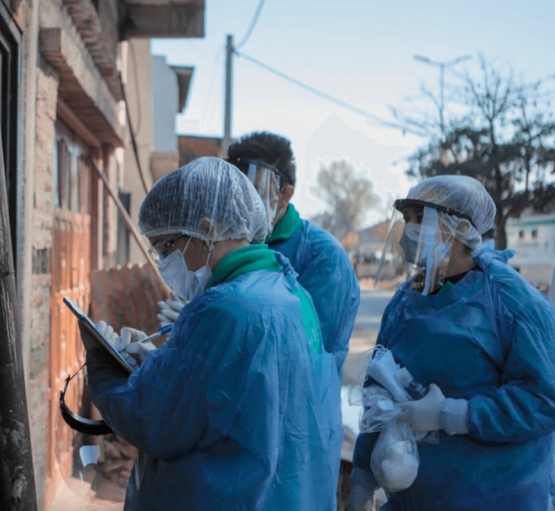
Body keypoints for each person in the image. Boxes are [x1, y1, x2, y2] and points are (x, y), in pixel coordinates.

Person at [79, 157, 343, 511]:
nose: (163, 264)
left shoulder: (224, 309)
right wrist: (161, 365)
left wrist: (102, 364)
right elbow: (243, 396)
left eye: (165, 248)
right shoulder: (291, 292)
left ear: (204, 231)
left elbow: (154, 420)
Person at [347, 175, 555, 511]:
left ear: (459, 229)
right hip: (414, 496)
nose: (409, 231)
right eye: (406, 220)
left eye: (420, 218)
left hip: (496, 496)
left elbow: (544, 398)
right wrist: (363, 474)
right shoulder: (407, 300)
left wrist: (455, 415)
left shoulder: (510, 299)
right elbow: (378, 395)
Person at [224, 131, 360, 377]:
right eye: (236, 190)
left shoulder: (323, 256)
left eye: (254, 190)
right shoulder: (228, 245)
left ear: (285, 195)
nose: (242, 202)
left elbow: (307, 349)